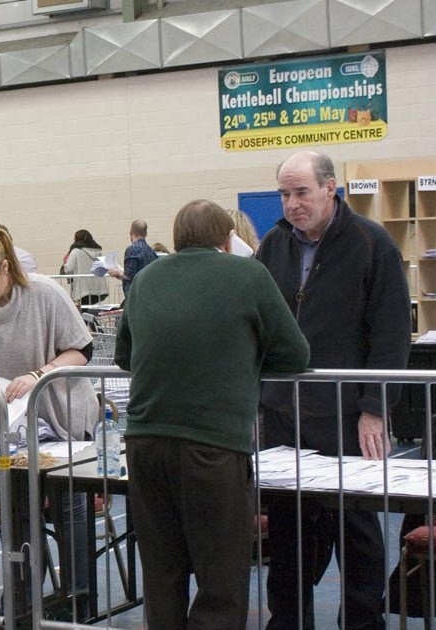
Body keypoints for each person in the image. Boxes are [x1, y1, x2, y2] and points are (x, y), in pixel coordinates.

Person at [115, 200, 310, 629]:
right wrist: (246, 361)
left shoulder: (146, 278)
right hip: (213, 445)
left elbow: (125, 355)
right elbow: (295, 354)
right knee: (219, 580)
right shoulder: (248, 274)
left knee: (163, 573)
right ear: (228, 240)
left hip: (144, 442)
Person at [256, 151, 412, 630]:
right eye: (284, 194)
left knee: (356, 532)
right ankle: (288, 622)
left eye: (301, 192)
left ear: (330, 189)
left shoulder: (373, 243)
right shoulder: (273, 245)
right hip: (284, 416)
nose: (292, 204)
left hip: (347, 417)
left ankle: (363, 623)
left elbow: (391, 334)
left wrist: (375, 409)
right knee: (287, 536)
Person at [0, 226, 98, 617]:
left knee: (68, 507)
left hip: (62, 423)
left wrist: (39, 374)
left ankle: (79, 601)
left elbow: (82, 350)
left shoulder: (44, 294)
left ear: (5, 267)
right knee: (16, 511)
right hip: (9, 436)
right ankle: (22, 602)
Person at [107, 220, 157, 296]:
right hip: (148, 292)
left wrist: (118, 272)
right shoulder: (151, 251)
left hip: (135, 294)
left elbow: (129, 275)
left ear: (131, 233)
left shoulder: (132, 249)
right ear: (146, 234)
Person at [59, 229, 109, 305]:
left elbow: (68, 269)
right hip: (98, 290)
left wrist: (64, 264)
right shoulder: (98, 252)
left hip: (82, 290)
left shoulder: (76, 251)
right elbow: (102, 270)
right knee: (92, 312)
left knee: (83, 314)